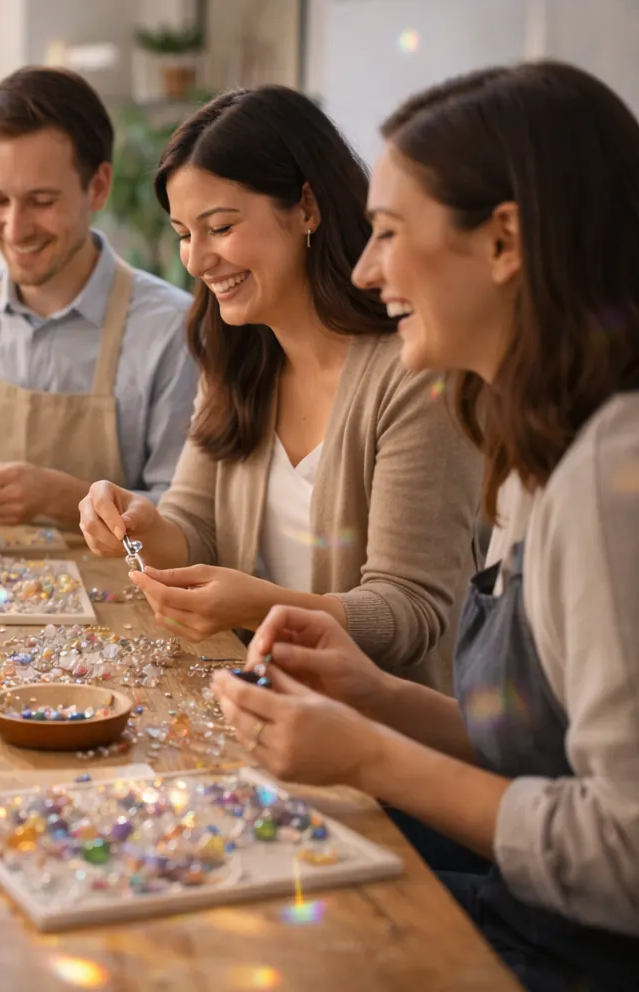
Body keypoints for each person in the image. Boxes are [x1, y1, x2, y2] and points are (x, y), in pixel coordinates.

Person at [213, 61, 639, 991]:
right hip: (522, 911)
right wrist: (372, 695)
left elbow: (624, 853)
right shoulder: (532, 444)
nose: (368, 270)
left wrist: (371, 755)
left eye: (391, 233)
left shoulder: (613, 479)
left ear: (504, 241)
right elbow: (545, 754)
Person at [78, 85, 482, 693]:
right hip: (255, 700)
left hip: (377, 731)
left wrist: (259, 604)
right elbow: (195, 523)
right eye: (184, 233)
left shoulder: (414, 374)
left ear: (307, 208)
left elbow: (410, 610)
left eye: (220, 227)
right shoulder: (237, 357)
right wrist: (139, 525)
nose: (196, 261)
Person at [0, 67, 198, 525]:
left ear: (97, 187)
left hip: (111, 575)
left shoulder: (171, 329)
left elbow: (187, 519)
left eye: (41, 201)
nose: (15, 229)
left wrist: (64, 499)